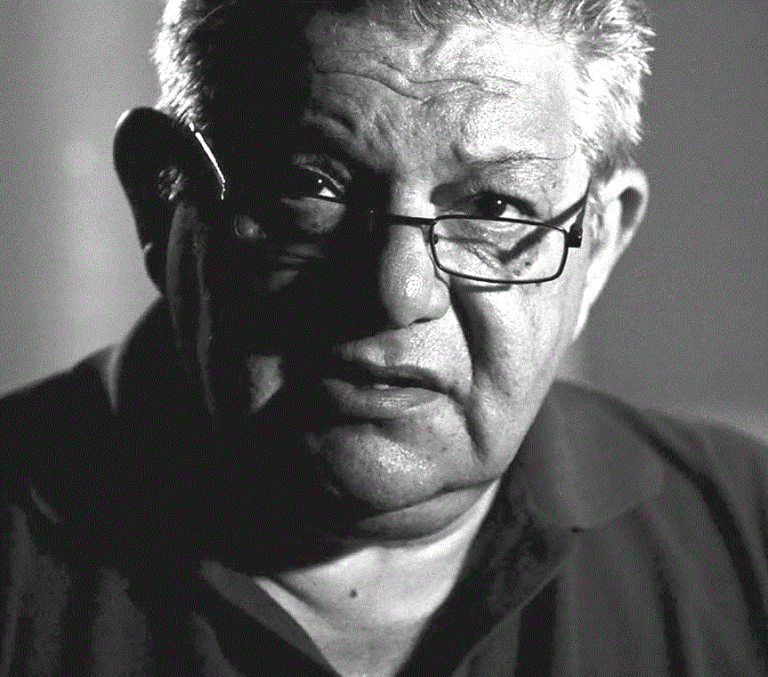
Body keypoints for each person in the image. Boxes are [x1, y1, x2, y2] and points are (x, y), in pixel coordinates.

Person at [2, 0, 766, 675]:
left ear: (598, 248)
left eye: (494, 207)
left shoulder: (747, 540)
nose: (399, 293)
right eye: (311, 184)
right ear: (164, 199)